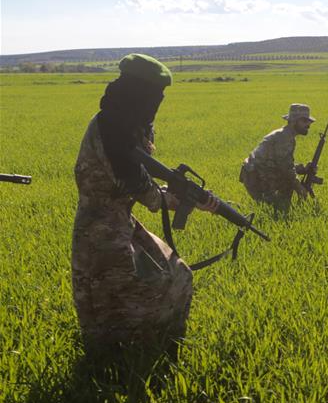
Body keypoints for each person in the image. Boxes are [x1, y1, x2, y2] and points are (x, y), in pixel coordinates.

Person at [72, 54, 219, 357]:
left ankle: (165, 350)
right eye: (154, 95)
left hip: (121, 221)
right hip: (101, 232)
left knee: (178, 276)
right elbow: (144, 190)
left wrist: (191, 196)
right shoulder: (110, 130)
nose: (157, 103)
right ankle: (117, 365)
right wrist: (180, 199)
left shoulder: (127, 122)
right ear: (137, 92)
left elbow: (148, 175)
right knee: (118, 303)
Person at [240, 103, 315, 212]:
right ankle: (234, 209)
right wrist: (300, 189)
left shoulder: (287, 135)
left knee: (279, 205)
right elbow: (286, 169)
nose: (308, 125)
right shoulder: (283, 137)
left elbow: (284, 164)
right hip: (256, 176)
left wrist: (303, 169)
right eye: (304, 121)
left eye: (309, 121)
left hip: (261, 173)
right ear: (294, 121)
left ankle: (282, 206)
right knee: (272, 209)